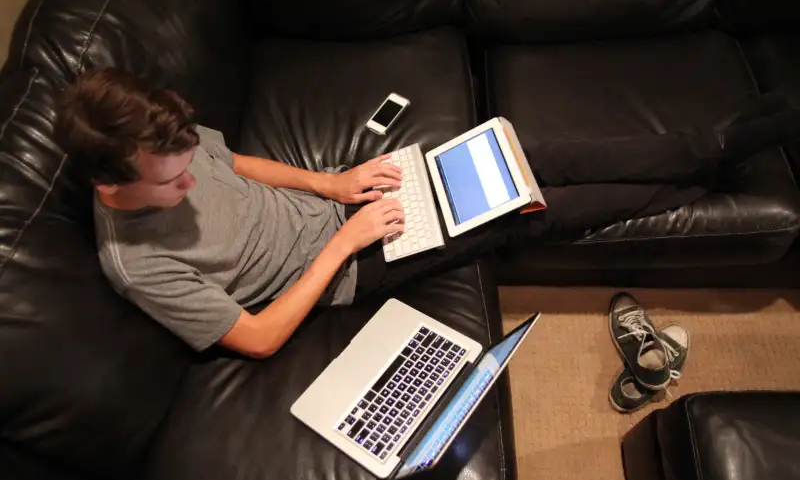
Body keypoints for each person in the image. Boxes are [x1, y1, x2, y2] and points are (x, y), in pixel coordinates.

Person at [55, 68, 798, 359]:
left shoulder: (164, 142)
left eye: (189, 165)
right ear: (109, 183)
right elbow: (259, 336)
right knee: (525, 209)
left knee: (522, 154)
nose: (192, 181)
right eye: (173, 182)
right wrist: (345, 241)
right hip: (351, 266)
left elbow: (238, 162)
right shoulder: (137, 265)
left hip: (350, 215)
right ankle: (700, 187)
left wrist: (333, 183)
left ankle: (707, 147)